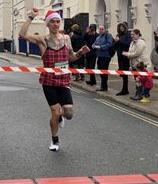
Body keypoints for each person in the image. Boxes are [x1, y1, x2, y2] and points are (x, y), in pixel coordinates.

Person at [19, 8, 89, 151]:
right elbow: (22, 34)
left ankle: (60, 117)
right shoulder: (43, 40)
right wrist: (31, 17)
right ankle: (55, 140)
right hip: (48, 81)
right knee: (55, 112)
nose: (56, 24)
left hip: (64, 81)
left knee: (68, 114)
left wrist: (81, 52)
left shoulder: (66, 39)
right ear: (47, 24)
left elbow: (72, 57)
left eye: (58, 21)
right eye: (53, 22)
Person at [121, 29, 149, 100]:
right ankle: (137, 94)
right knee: (137, 80)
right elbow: (131, 53)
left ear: (138, 34)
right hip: (135, 65)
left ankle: (140, 95)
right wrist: (131, 65)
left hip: (140, 65)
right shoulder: (132, 43)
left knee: (140, 80)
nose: (132, 36)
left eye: (133, 34)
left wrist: (127, 54)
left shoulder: (141, 42)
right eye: (131, 34)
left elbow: (137, 53)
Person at [92, 26, 113, 91]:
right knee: (100, 70)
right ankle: (102, 85)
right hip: (99, 56)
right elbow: (95, 43)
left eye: (102, 29)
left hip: (106, 56)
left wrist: (100, 47)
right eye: (100, 29)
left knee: (104, 71)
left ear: (105, 29)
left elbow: (109, 44)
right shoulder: (98, 37)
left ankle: (104, 86)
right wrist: (93, 46)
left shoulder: (108, 35)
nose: (101, 30)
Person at [113, 22, 132, 95]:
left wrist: (119, 40)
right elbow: (115, 46)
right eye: (120, 27)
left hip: (125, 55)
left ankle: (125, 89)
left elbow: (128, 44)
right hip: (119, 55)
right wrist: (115, 41)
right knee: (122, 73)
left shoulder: (128, 35)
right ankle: (124, 89)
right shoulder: (118, 35)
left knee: (125, 73)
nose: (121, 28)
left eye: (123, 27)